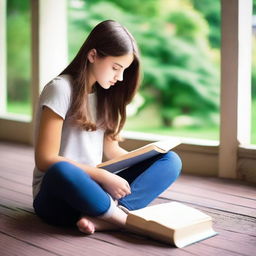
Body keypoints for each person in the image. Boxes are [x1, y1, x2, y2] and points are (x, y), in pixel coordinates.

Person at [32, 20, 182, 235]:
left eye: (123, 70)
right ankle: (124, 221)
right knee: (61, 170)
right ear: (93, 56)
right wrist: (103, 177)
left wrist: (145, 158)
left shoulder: (106, 96)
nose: (119, 78)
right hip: (59, 197)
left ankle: (105, 218)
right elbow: (45, 160)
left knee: (170, 160)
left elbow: (112, 153)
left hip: (97, 193)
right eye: (115, 68)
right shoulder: (60, 89)